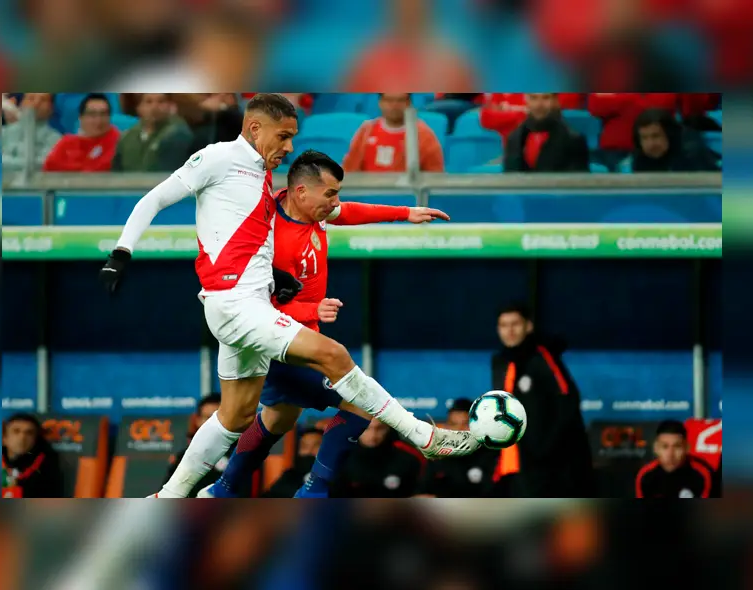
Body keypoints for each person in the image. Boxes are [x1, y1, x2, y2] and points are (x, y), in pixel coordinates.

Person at [100, 93, 479, 499]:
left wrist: (275, 276)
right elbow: (155, 198)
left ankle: (175, 496)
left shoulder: (263, 180)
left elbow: (292, 224)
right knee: (335, 357)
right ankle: (423, 436)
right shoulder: (218, 158)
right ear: (255, 128)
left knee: (236, 416)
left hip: (246, 304)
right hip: (236, 303)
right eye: (283, 136)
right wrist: (122, 252)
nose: (289, 146)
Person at [197, 149, 452, 499]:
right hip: (277, 343)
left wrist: (405, 213)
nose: (335, 202)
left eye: (337, 193)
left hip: (297, 339)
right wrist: (310, 310)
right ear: (302, 191)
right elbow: (255, 308)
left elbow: (348, 212)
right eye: (330, 193)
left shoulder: (311, 211)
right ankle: (313, 493)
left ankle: (222, 490)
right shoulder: (270, 238)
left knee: (279, 418)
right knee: (359, 402)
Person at [490, 303, 594, 497]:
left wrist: (544, 450)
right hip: (512, 463)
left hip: (547, 467)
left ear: (528, 326)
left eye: (515, 324)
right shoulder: (499, 362)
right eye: (504, 325)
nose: (509, 331)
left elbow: (568, 403)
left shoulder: (544, 358)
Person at [413, 399, 500, 498]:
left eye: (465, 424)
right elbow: (420, 495)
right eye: (453, 424)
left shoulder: (491, 455)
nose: (459, 431)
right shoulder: (436, 457)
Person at [342, 93, 445, 173]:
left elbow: (435, 176)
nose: (394, 105)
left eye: (400, 100)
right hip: (367, 192)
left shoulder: (424, 135)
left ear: (409, 103)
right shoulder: (366, 131)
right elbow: (349, 170)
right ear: (380, 103)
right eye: (389, 100)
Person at [331, 419, 426, 498]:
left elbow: (419, 495)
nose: (373, 435)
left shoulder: (408, 460)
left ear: (389, 428)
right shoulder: (339, 460)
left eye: (380, 428)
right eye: (366, 428)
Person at [502, 93, 590, 173]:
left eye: (546, 98)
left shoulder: (574, 140)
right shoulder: (514, 138)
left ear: (556, 101)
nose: (538, 105)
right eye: (533, 98)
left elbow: (577, 182)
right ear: (526, 100)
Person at [112, 93, 194, 172]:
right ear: (139, 107)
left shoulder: (177, 134)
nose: (154, 107)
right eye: (149, 102)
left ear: (170, 106)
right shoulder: (127, 136)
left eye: (161, 101)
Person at [636, 420, 717, 498]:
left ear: (687, 448)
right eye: (665, 447)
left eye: (677, 446)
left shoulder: (702, 475)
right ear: (656, 448)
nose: (670, 454)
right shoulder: (645, 476)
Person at [43, 93, 120, 172]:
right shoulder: (67, 143)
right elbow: (49, 169)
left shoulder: (117, 142)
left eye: (103, 114)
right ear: (81, 118)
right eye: (92, 114)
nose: (98, 120)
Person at [629, 108, 720, 172]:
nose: (650, 144)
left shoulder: (692, 154)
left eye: (656, 136)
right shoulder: (639, 156)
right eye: (644, 138)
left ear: (669, 135)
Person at [2, 413, 63, 497]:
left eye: (29, 433)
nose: (22, 437)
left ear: (35, 439)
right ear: (4, 438)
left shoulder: (46, 466)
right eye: (16, 431)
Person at [1, 93, 62, 169]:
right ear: (21, 104)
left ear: (51, 109)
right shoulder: (4, 132)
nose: (36, 103)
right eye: (31, 98)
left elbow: (44, 164)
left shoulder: (57, 140)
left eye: (43, 100)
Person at [261, 427, 324, 497]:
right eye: (304, 446)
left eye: (316, 445)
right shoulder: (290, 476)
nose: (309, 451)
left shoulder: (331, 478)